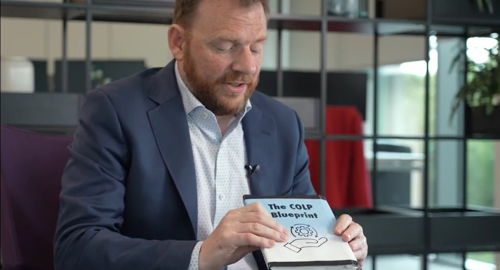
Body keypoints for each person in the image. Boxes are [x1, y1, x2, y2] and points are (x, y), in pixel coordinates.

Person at [53, 0, 368, 269]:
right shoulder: (115, 111)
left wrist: (335, 249)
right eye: (226, 46)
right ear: (179, 42)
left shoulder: (284, 124)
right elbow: (77, 247)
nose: (247, 65)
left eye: (257, 47)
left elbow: (299, 242)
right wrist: (199, 256)